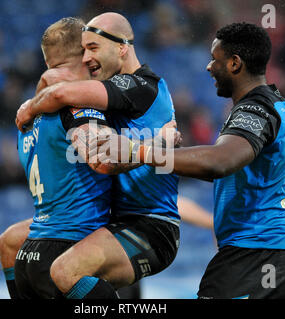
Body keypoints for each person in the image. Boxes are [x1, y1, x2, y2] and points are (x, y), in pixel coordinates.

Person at [94, 22, 285, 299]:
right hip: (282, 257)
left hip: (255, 256)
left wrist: (140, 151)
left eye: (215, 59)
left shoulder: (255, 109)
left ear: (235, 64)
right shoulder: (277, 104)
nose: (209, 67)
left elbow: (218, 162)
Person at [15, 12, 180, 299]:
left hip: (150, 225)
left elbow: (60, 91)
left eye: (93, 48)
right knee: (12, 242)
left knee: (67, 271)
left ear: (122, 47)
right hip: (113, 219)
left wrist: (30, 107)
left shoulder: (142, 86)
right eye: (84, 50)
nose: (87, 59)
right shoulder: (113, 92)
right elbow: (57, 86)